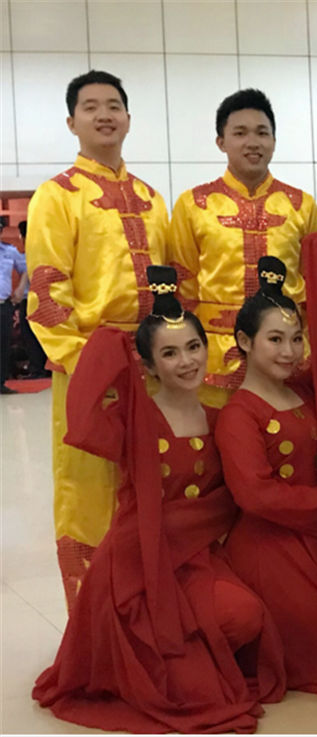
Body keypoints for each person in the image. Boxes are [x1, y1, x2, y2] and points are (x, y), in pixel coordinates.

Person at [33, 266, 285, 733]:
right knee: (188, 694)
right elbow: (83, 425)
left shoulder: (220, 418)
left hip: (197, 559)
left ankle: (191, 649)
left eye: (193, 347)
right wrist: (106, 345)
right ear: (148, 367)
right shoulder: (135, 419)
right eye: (169, 353)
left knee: (245, 617)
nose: (187, 361)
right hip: (138, 562)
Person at [25, 69, 168, 610]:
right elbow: (47, 291)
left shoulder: (152, 199)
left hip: (154, 367)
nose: (104, 114)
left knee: (153, 482)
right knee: (88, 490)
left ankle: (152, 613)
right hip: (89, 368)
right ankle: (95, 625)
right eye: (90, 107)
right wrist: (93, 363)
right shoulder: (56, 196)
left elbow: (170, 282)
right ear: (72, 122)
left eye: (113, 105)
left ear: (128, 118)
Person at [216, 256, 317, 691]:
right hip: (271, 544)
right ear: (244, 340)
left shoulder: (302, 390)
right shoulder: (239, 415)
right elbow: (257, 496)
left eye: (296, 339)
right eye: (275, 339)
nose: (289, 352)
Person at [167, 88, 317, 407]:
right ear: (221, 142)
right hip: (214, 360)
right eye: (240, 133)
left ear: (274, 141)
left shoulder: (300, 205)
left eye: (262, 133)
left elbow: (312, 288)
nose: (253, 142)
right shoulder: (193, 205)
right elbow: (183, 287)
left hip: (287, 359)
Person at [16, 220, 49, 379]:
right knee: (43, 335)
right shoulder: (45, 251)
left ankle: (38, 369)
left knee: (30, 336)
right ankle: (45, 368)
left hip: (30, 299)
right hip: (45, 299)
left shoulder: (29, 254)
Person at [1, 217, 27, 394]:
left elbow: (25, 268)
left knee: (3, 344)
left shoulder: (9, 251)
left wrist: (20, 288)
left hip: (3, 305)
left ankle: (1, 381)